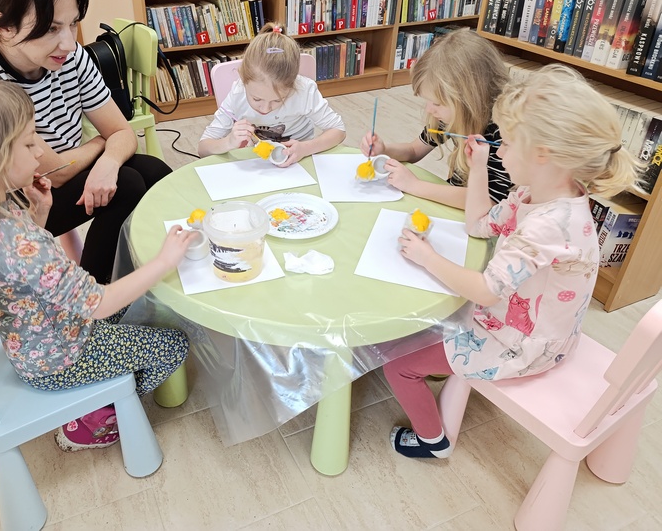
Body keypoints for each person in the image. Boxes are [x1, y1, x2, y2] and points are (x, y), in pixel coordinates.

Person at [0, 69, 196, 451]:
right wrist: (163, 261)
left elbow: (20, 275)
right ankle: (95, 416)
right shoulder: (15, 242)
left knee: (142, 305)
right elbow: (99, 303)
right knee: (173, 344)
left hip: (38, 341)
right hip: (64, 357)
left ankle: (101, 396)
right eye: (29, 144)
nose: (40, 152)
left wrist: (38, 215)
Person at [382, 64, 639, 459]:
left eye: (506, 142)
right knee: (425, 313)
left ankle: (433, 443)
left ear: (542, 155)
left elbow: (486, 292)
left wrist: (426, 256)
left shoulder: (548, 225)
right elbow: (478, 224)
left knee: (397, 366)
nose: (498, 150)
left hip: (521, 344)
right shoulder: (537, 192)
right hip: (527, 323)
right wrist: (479, 168)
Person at [0, 0, 171, 284]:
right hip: (7, 203)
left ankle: (154, 271)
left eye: (73, 24)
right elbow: (51, 171)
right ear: (5, 27)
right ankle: (91, 292)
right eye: (51, 29)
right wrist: (100, 145)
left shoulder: (71, 56)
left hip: (55, 173)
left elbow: (123, 133)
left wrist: (108, 161)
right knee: (127, 185)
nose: (69, 43)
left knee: (154, 171)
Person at [360, 29, 512, 208]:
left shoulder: (503, 132)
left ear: (468, 101)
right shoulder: (451, 116)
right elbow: (414, 150)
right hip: (455, 201)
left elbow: (490, 201)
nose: (429, 109)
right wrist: (385, 149)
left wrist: (415, 185)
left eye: (437, 103)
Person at [198, 23, 345, 165]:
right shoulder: (238, 93)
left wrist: (306, 148)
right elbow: (203, 148)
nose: (265, 109)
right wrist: (228, 142)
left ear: (293, 84)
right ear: (243, 79)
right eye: (256, 99)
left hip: (299, 160)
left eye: (277, 100)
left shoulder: (304, 90)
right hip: (256, 161)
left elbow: (338, 130)